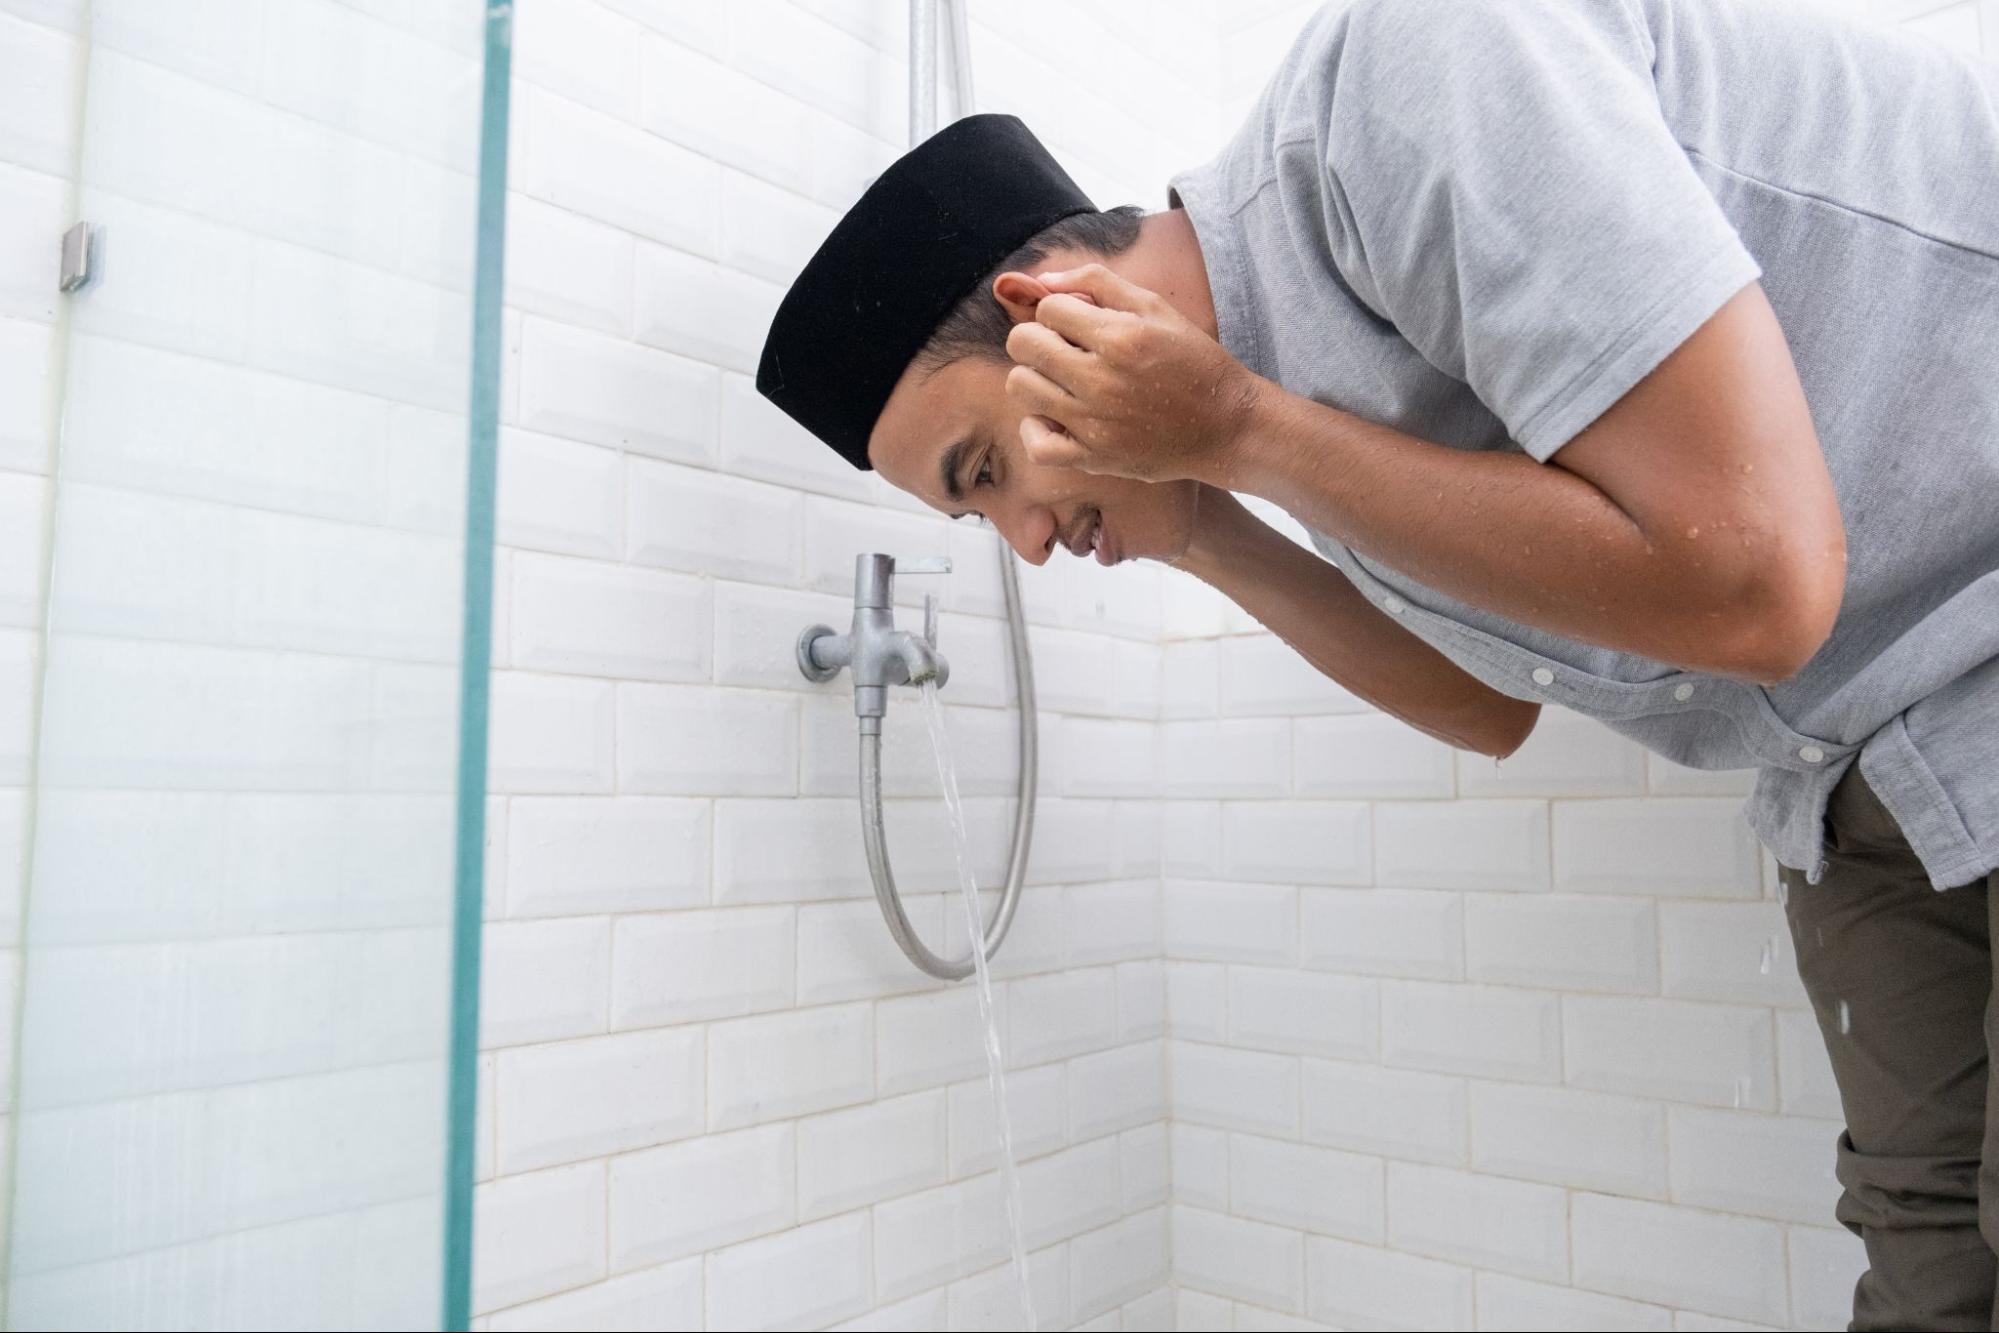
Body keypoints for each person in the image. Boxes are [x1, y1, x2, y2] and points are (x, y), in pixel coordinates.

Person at [757, 0, 1999, 1324]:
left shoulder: (1417, 73)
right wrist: (1202, 518)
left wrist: (1242, 432)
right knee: (1932, 1267)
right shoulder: (1298, 395)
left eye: (987, 473)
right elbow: (1488, 710)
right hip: (1859, 768)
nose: (1029, 539)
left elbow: (1760, 581)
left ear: (1054, 311)